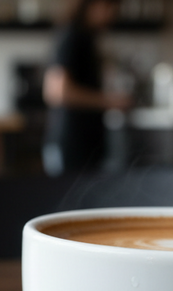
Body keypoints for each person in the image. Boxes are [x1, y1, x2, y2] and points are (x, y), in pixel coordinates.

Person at [42, 0, 130, 175]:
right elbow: (57, 92)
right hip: (71, 145)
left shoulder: (87, 38)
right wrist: (109, 101)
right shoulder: (71, 35)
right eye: (109, 7)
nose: (112, 14)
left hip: (87, 146)